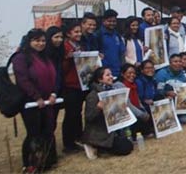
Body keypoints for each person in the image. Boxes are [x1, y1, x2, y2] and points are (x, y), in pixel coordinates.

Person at [13, 29, 59, 172]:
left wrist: (53, 94)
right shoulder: (21, 58)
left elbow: (55, 77)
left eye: (43, 41)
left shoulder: (45, 57)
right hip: (31, 103)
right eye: (37, 41)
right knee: (34, 133)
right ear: (29, 41)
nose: (40, 44)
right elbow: (23, 79)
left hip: (48, 102)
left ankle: (47, 161)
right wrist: (36, 96)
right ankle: (30, 164)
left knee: (48, 130)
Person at [81, 67, 148, 159]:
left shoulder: (112, 91)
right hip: (100, 132)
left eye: (111, 74)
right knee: (126, 148)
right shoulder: (92, 95)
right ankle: (94, 146)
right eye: (108, 75)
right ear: (100, 79)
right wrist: (98, 108)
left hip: (114, 129)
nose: (111, 77)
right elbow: (89, 117)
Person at [60, 23, 86, 153]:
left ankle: (78, 137)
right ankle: (68, 143)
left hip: (80, 84)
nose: (79, 34)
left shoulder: (79, 46)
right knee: (70, 114)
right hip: (69, 85)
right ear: (68, 34)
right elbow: (62, 68)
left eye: (80, 32)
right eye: (76, 32)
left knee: (77, 113)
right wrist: (67, 58)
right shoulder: (65, 47)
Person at [119, 64, 153, 136]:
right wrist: (141, 114)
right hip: (127, 114)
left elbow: (138, 101)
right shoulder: (120, 85)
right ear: (122, 74)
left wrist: (144, 112)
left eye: (134, 73)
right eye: (129, 73)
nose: (132, 75)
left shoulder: (133, 84)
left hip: (136, 110)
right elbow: (128, 104)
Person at [98, 9, 126, 77]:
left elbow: (122, 53)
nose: (112, 23)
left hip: (118, 71)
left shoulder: (117, 35)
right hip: (105, 74)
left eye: (114, 21)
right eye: (109, 21)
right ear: (103, 21)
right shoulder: (98, 35)